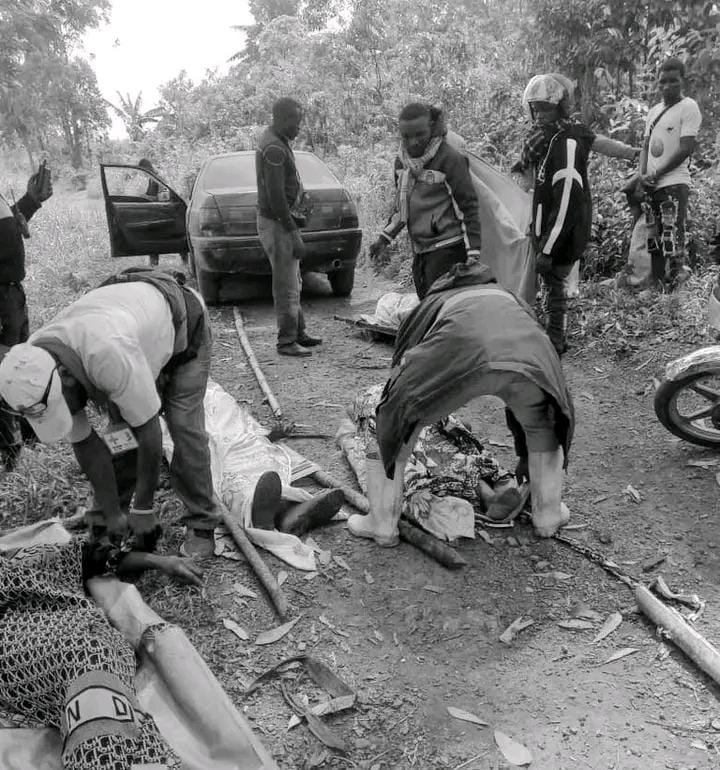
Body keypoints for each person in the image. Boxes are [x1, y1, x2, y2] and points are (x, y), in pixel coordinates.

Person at [346, 260, 574, 547]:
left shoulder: (433, 301)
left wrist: (398, 419)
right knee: (544, 423)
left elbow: (402, 369)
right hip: (531, 369)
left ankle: (381, 524)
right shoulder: (509, 297)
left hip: (462, 358)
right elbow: (544, 368)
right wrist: (527, 454)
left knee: (383, 416)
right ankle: (548, 514)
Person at [0, 268, 224, 558]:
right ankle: (113, 512)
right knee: (121, 433)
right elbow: (86, 445)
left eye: (61, 405)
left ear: (66, 376)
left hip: (183, 328)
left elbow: (150, 433)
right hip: (135, 334)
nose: (67, 412)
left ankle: (202, 522)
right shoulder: (30, 370)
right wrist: (110, 511)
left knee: (183, 427)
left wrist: (144, 507)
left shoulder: (106, 354)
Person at [0, 533, 201, 770]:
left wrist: (164, 562)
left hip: (85, 630)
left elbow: (101, 557)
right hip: (21, 647)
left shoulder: (30, 558)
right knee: (88, 666)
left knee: (96, 667)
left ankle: (113, 753)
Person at [512, 73, 639, 354]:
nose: (541, 114)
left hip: (561, 229)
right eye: (537, 108)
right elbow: (534, 182)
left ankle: (555, 340)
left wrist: (547, 246)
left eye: (546, 108)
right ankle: (551, 333)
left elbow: (567, 196)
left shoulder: (567, 140)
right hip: (548, 224)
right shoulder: (545, 139)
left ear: (559, 107)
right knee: (550, 284)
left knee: (555, 286)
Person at [369, 102, 483, 299]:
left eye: (420, 134)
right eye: (406, 136)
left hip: (448, 249)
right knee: (427, 305)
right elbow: (401, 207)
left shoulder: (449, 159)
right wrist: (383, 239)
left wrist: (473, 253)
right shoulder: (401, 162)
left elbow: (468, 207)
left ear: (432, 128)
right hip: (421, 251)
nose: (413, 142)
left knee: (442, 309)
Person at [256, 97, 322, 358]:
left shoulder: (275, 140)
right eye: (296, 122)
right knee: (286, 285)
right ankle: (286, 341)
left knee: (293, 279)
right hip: (277, 224)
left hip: (279, 221)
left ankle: (299, 333)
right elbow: (275, 197)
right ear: (283, 119)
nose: (298, 128)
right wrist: (293, 233)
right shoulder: (274, 148)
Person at [627, 58, 701, 288]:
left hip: (674, 183)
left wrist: (657, 173)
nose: (667, 86)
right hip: (652, 185)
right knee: (653, 238)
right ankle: (657, 286)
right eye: (663, 82)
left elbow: (686, 147)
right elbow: (646, 147)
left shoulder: (688, 107)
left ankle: (674, 288)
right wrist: (642, 175)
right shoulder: (653, 112)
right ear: (657, 84)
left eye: (673, 81)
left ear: (683, 81)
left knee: (672, 236)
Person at [0, 163, 53, 470]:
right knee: (3, 372)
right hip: (1, 301)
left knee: (22, 364)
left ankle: (32, 438)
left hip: (12, 296)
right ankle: (10, 453)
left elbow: (8, 234)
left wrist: (31, 201)